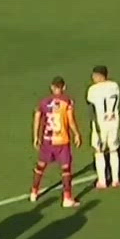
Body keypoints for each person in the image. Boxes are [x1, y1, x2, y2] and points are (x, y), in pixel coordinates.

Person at [30, 77, 82, 206]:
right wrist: (76, 134)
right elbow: (70, 120)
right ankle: (67, 198)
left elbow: (37, 117)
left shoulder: (43, 102)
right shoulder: (67, 101)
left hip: (47, 140)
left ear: (52, 87)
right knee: (66, 169)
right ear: (64, 87)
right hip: (62, 141)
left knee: (41, 166)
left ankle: (34, 192)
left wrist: (36, 136)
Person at [87, 65, 120, 190]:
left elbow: (92, 109)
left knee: (99, 151)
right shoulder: (115, 86)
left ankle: (102, 181)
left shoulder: (92, 90)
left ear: (99, 76)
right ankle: (116, 180)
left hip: (100, 124)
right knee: (114, 150)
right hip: (113, 122)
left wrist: (95, 128)